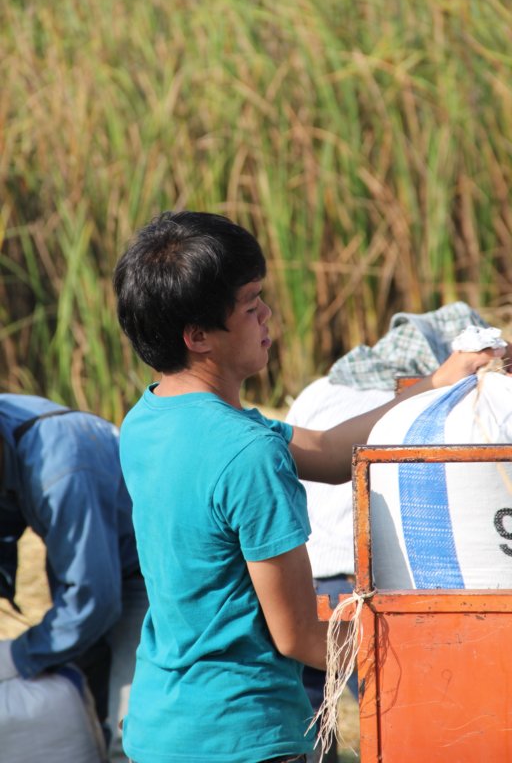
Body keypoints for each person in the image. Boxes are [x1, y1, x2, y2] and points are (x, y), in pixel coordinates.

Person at [112, 210, 502, 763]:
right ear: (197, 336)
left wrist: (440, 381)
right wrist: (435, 649)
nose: (267, 314)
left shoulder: (147, 419)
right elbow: (297, 634)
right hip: (243, 736)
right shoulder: (249, 455)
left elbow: (330, 452)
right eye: (251, 305)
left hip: (159, 728)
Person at [285, 302, 494, 762]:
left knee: (310, 721)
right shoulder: (430, 405)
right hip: (360, 584)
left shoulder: (319, 390)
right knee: (400, 720)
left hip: (297, 577)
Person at [0, 395, 148, 761]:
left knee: (130, 735)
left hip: (145, 574)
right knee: (87, 711)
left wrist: (20, 655)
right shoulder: (8, 426)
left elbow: (93, 599)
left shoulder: (60, 470)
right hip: (84, 562)